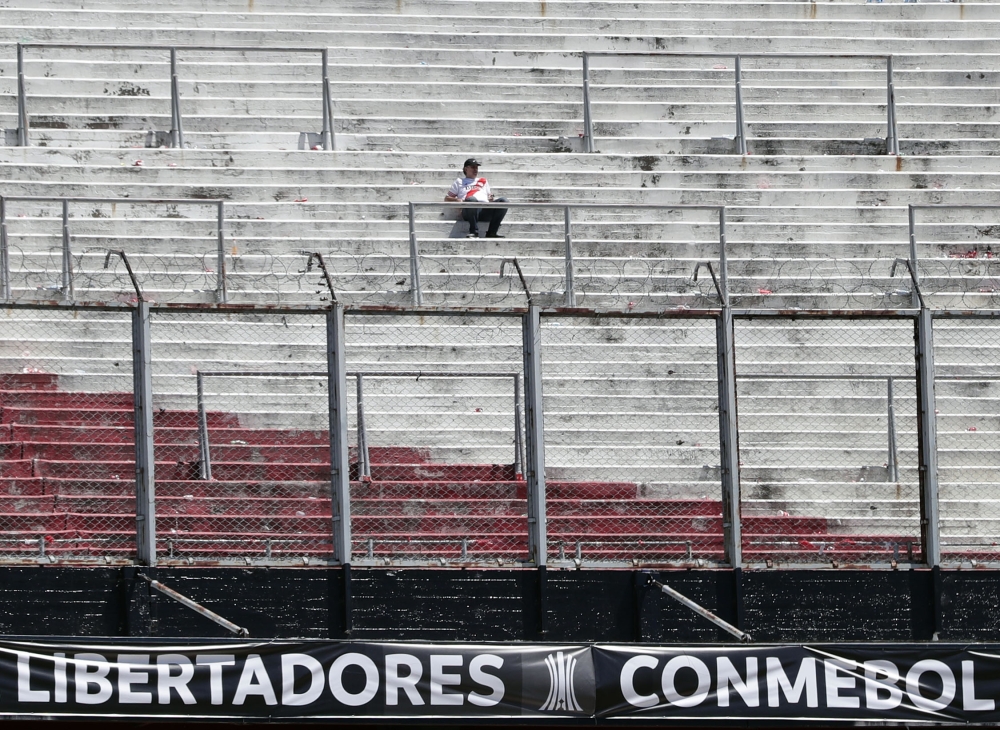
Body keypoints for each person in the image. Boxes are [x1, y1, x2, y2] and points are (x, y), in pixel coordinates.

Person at [444, 158, 508, 238]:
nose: (475, 170)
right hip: (469, 210)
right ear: (466, 169)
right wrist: (456, 199)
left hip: (484, 209)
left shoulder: (483, 181)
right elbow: (447, 198)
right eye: (473, 167)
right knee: (471, 200)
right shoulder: (459, 181)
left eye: (476, 167)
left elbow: (489, 196)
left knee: (504, 201)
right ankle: (473, 231)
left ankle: (492, 232)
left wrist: (490, 198)